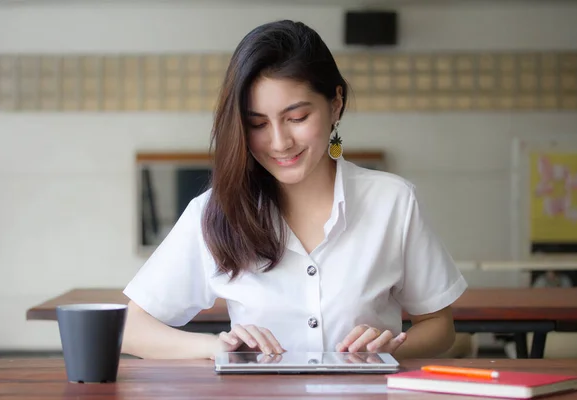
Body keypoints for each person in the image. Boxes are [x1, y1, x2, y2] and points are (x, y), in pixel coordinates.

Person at [121, 20, 468, 360]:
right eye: (257, 124)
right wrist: (215, 348)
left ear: (335, 104)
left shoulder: (393, 202)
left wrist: (390, 348)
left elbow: (439, 324)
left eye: (297, 118)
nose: (279, 143)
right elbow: (130, 328)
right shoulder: (218, 211)